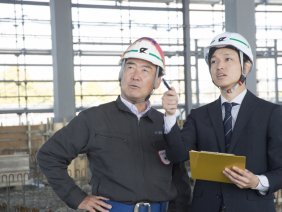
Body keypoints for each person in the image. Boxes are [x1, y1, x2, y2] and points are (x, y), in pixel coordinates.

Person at [36, 37, 191, 212]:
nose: (135, 76)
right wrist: (77, 197)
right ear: (121, 74)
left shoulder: (165, 124)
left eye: (145, 70)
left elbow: (179, 179)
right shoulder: (93, 119)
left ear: (157, 81)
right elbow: (49, 155)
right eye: (130, 67)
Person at [162, 32, 282, 212]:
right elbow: (177, 155)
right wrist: (170, 115)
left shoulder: (271, 113)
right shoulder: (198, 115)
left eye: (228, 59)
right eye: (214, 61)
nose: (219, 66)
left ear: (246, 66)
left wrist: (258, 182)